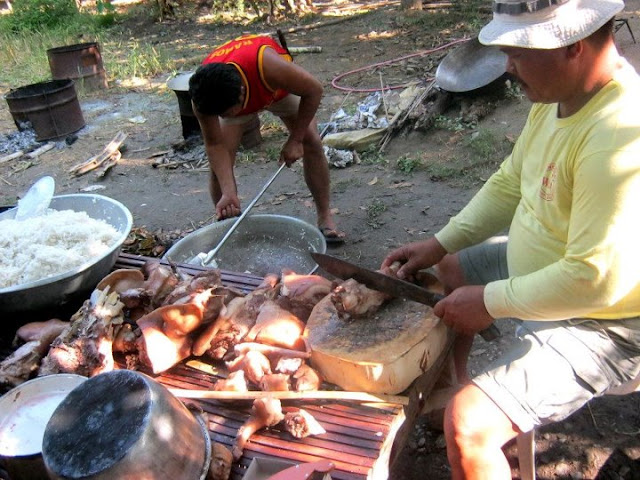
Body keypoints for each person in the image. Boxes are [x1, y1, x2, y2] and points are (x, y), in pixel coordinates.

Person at [381, 0, 640, 478]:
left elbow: (593, 278)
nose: (508, 67)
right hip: (547, 271)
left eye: (518, 53)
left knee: (470, 426)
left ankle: (472, 423)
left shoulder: (620, 135)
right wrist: (439, 244)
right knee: (454, 266)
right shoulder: (557, 98)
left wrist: (491, 301)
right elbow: (509, 182)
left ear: (573, 45)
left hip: (605, 320)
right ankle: (461, 386)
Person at [188, 34, 345, 244]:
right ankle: (228, 228)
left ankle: (325, 217)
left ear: (243, 94)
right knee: (218, 168)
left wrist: (296, 140)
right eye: (219, 116)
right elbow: (215, 145)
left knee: (311, 141)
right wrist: (229, 191)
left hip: (276, 90)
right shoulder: (204, 98)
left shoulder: (267, 66)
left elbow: (314, 90)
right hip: (231, 97)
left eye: (225, 114)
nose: (222, 119)